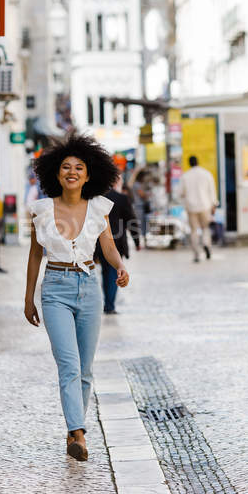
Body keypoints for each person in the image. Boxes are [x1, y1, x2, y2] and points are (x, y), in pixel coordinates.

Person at [24, 133, 130, 462]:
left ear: (88, 175)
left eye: (79, 167)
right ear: (56, 173)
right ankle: (79, 434)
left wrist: (120, 267)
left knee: (85, 369)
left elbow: (108, 246)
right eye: (66, 167)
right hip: (55, 288)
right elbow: (34, 256)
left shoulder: (99, 207)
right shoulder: (40, 210)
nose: (72, 171)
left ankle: (73, 429)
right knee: (68, 365)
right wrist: (29, 299)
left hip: (90, 287)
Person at [96, 176, 140, 314]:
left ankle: (108, 303)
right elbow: (131, 221)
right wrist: (137, 241)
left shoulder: (96, 199)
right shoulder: (121, 198)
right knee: (113, 272)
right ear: (116, 182)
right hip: (118, 241)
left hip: (99, 242)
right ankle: (110, 305)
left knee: (105, 272)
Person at [178, 155, 217, 262]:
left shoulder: (185, 176)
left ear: (189, 163)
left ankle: (196, 254)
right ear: (198, 162)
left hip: (191, 207)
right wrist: (214, 204)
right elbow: (212, 190)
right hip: (205, 206)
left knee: (194, 230)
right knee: (205, 228)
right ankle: (206, 244)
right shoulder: (206, 174)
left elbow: (180, 193)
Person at [131, 170, 150, 244]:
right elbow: (142, 195)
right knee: (140, 224)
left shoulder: (136, 184)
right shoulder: (137, 184)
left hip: (139, 206)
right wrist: (147, 194)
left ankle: (142, 239)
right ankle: (140, 240)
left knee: (142, 224)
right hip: (138, 207)